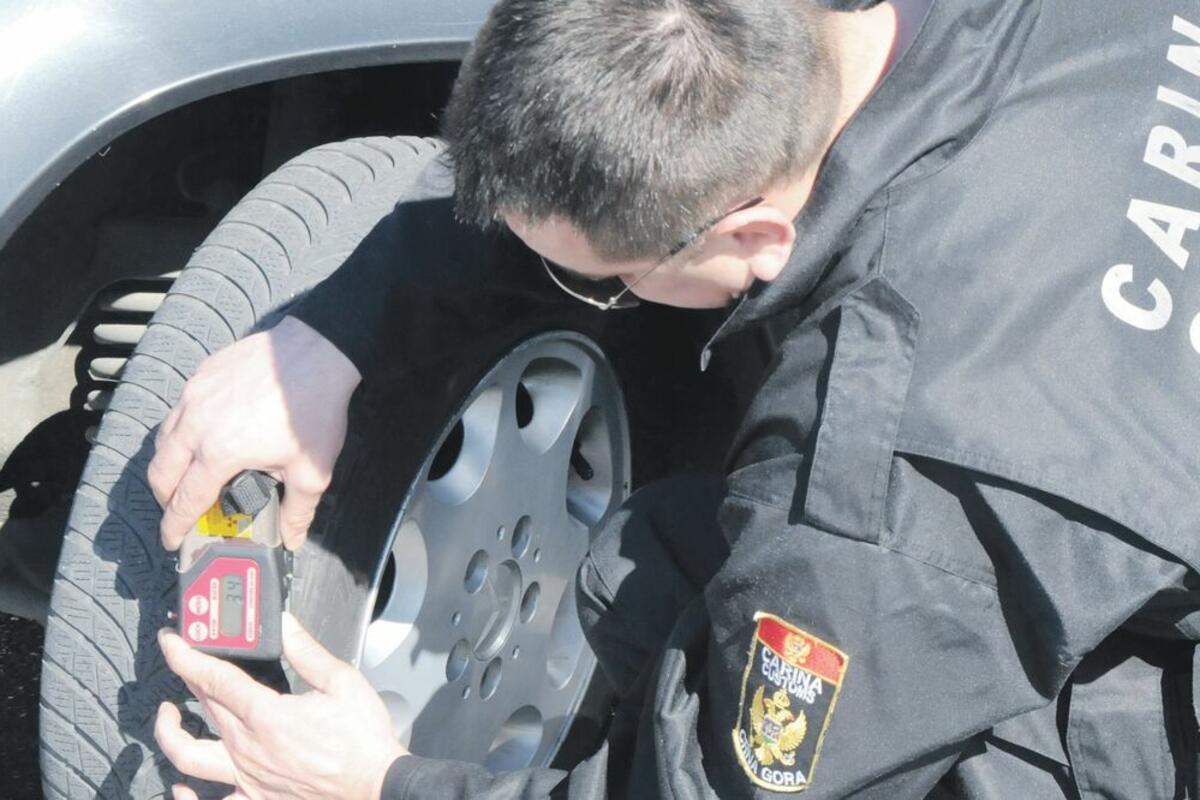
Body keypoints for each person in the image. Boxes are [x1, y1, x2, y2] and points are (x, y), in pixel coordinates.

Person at [148, 0, 1200, 797]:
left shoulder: (880, 497)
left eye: (601, 284)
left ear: (755, 236)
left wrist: (382, 781)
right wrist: (345, 321)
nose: (594, 296)